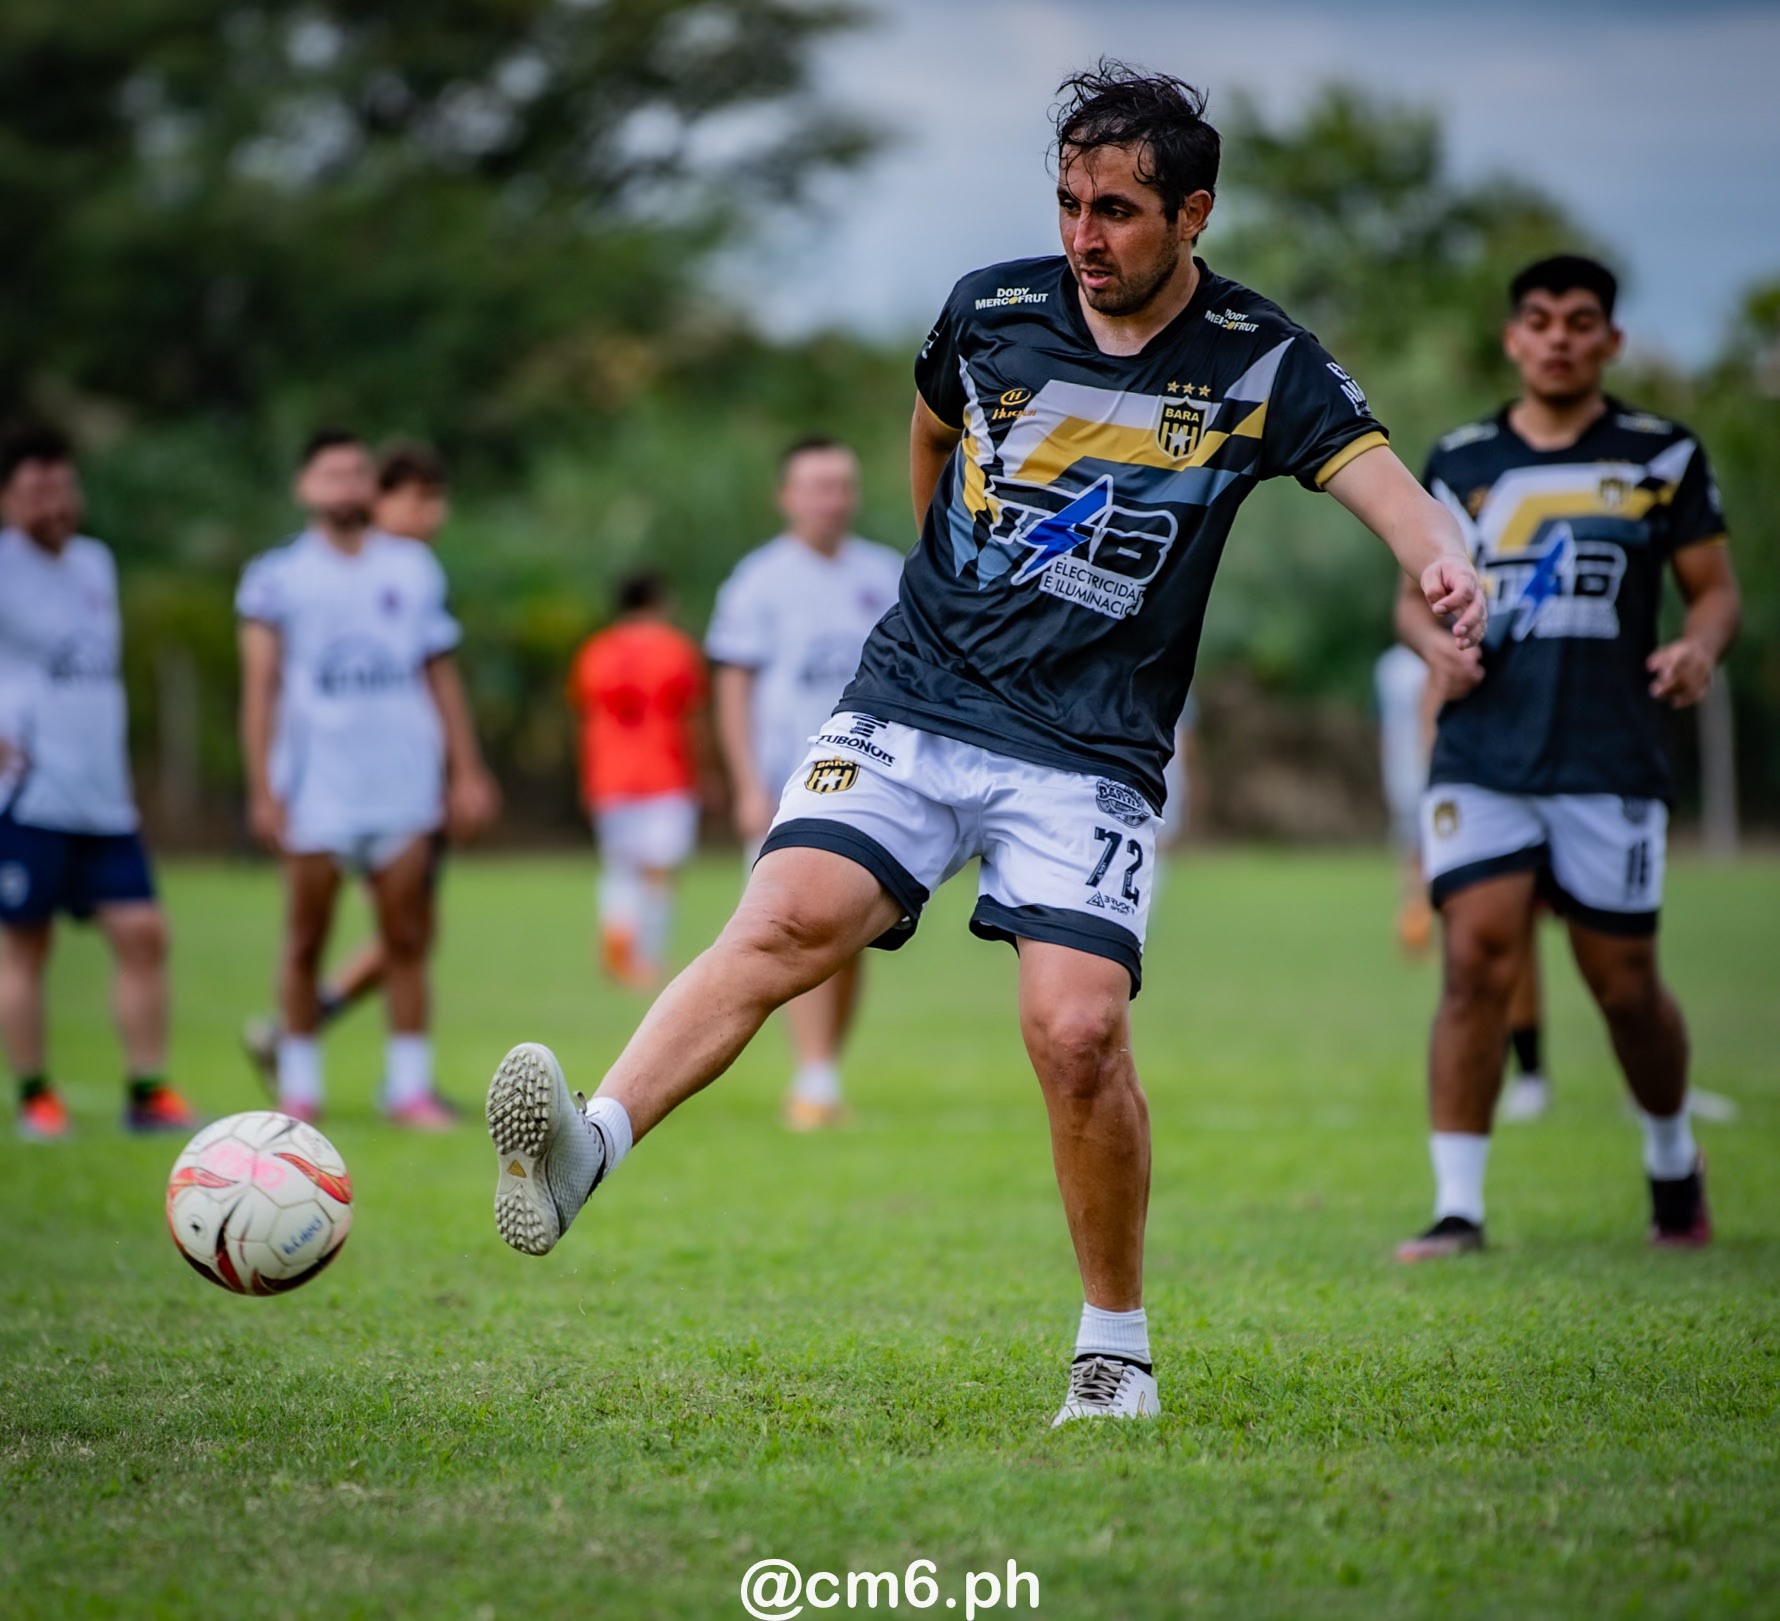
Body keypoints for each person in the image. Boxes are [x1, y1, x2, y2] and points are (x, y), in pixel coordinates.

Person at [483, 64, 1483, 1425]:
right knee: (781, 921)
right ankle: (590, 1150)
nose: (1085, 235)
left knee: (1076, 1033)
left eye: (1119, 211)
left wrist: (1446, 575)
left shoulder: (1262, 357)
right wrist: (938, 579)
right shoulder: (994, 308)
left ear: (1193, 214)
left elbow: (1397, 498)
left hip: (1091, 748)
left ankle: (1114, 1351)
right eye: (1069, 202)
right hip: (917, 696)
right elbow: (933, 442)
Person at [1395, 254, 1741, 1260]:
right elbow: (1413, 595)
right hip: (1483, 752)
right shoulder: (1458, 458)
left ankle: (1673, 1162)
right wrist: (1431, 647)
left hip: (1608, 754)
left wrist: (1697, 648)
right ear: (1512, 339)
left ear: (1610, 341)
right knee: (1473, 961)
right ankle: (1456, 1206)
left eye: (1579, 321)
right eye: (1538, 320)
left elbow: (1713, 591)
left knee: (1623, 983)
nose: (1556, 336)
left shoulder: (1658, 455)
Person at [237, 429, 486, 1129]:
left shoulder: (411, 568)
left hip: (401, 784)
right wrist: (262, 787)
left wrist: (464, 767)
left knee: (407, 934)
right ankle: (300, 1090)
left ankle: (408, 1087)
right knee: (305, 937)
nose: (345, 486)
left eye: (356, 473)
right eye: (330, 474)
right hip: (315, 787)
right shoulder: (276, 577)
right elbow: (259, 689)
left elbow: (438, 669)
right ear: (304, 488)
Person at [0, 425, 198, 1137]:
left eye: (63, 487)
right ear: (7, 499)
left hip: (103, 798)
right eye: (35, 490)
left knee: (144, 931)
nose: (53, 503)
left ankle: (148, 1093)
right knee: (26, 944)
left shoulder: (95, 563)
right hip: (30, 796)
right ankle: (37, 1097)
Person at [704, 437, 903, 1127]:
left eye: (843, 485)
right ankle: (813, 1080)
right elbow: (733, 687)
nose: (832, 499)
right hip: (790, 787)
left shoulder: (888, 572)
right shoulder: (758, 581)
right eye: (817, 486)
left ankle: (822, 1073)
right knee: (799, 929)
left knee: (852, 938)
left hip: (876, 784)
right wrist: (745, 783)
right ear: (786, 496)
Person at [567, 570, 709, 989]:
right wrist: (708, 771)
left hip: (609, 775)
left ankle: (618, 948)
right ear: (658, 599)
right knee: (659, 870)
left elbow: (584, 714)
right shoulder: (674, 649)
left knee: (620, 866)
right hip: (665, 773)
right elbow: (693, 716)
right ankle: (646, 957)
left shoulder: (596, 651)